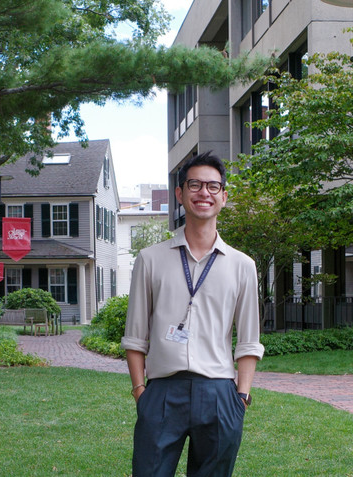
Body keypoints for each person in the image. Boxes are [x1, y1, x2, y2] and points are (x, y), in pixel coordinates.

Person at [121, 151, 265, 477]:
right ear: (180, 193)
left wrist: (241, 396)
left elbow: (248, 339)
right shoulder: (150, 259)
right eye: (195, 185)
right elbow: (135, 335)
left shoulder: (242, 266)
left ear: (224, 197)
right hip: (162, 391)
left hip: (219, 394)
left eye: (213, 186)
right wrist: (140, 392)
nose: (204, 193)